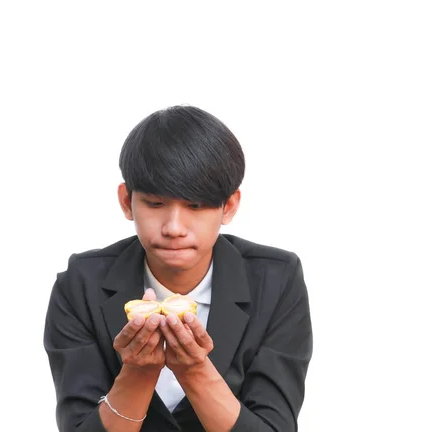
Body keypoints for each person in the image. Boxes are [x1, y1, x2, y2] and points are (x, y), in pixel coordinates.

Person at [43, 105, 313, 431]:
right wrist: (139, 370)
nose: (174, 227)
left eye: (195, 206)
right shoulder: (81, 284)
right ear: (127, 202)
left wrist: (194, 369)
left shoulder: (276, 280)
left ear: (229, 206)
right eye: (155, 204)